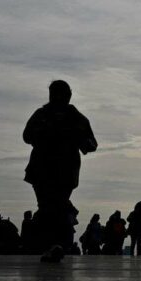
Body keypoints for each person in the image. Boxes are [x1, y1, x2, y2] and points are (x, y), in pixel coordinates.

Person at [23, 80, 97, 262]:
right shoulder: (43, 115)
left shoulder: (75, 118)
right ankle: (51, 245)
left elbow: (91, 144)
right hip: (45, 169)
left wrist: (76, 137)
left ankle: (54, 245)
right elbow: (27, 136)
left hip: (61, 170)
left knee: (54, 207)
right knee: (50, 207)